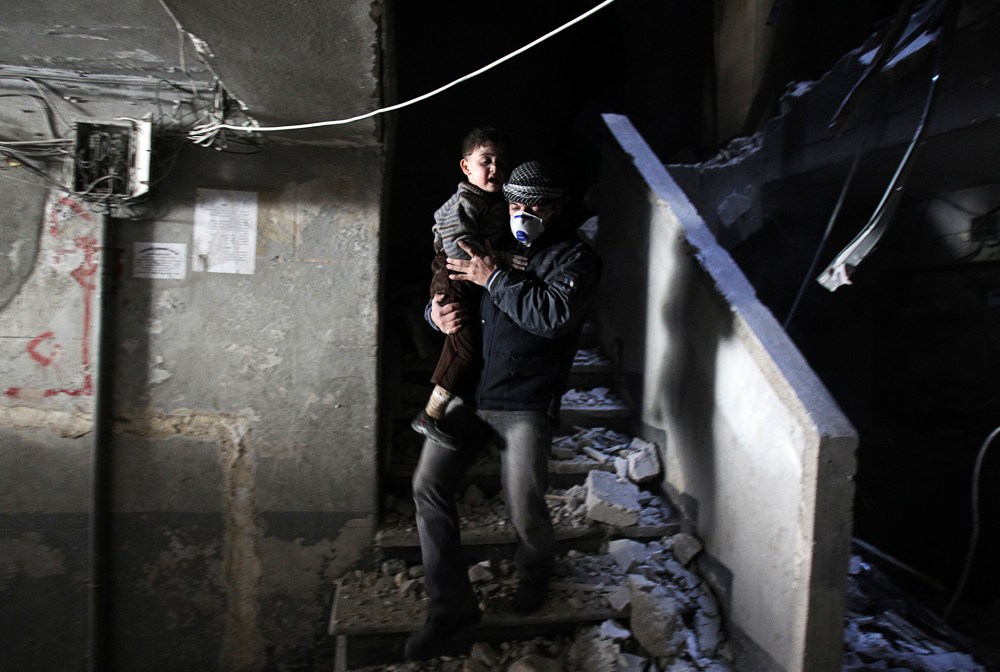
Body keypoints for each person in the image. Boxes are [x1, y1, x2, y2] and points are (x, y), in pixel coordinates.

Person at [404, 161, 602, 661]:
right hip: (472, 394)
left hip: (526, 405)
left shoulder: (574, 259)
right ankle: (450, 609)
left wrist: (495, 281)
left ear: (553, 208)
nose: (522, 214)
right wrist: (436, 314)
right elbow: (454, 284)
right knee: (427, 485)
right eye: (515, 205)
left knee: (526, 510)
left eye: (533, 206)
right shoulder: (494, 244)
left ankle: (535, 572)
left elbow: (552, 316)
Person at [411, 127, 514, 451]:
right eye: (486, 161)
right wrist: (502, 258)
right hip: (455, 277)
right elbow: (459, 253)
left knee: (468, 347)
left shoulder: (493, 201)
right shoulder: (463, 203)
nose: (494, 168)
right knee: (465, 348)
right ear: (466, 167)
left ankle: (443, 413)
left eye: (500, 162)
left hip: (471, 279)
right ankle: (430, 414)